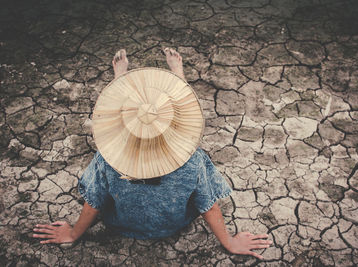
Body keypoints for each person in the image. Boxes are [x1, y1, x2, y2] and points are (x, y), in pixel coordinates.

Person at [33, 48, 272, 260]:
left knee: (113, 158)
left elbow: (94, 201)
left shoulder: (108, 159)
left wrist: (74, 233)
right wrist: (229, 242)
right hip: (172, 225)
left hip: (121, 224)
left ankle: (121, 81)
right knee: (166, 116)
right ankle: (173, 77)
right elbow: (208, 205)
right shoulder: (192, 160)